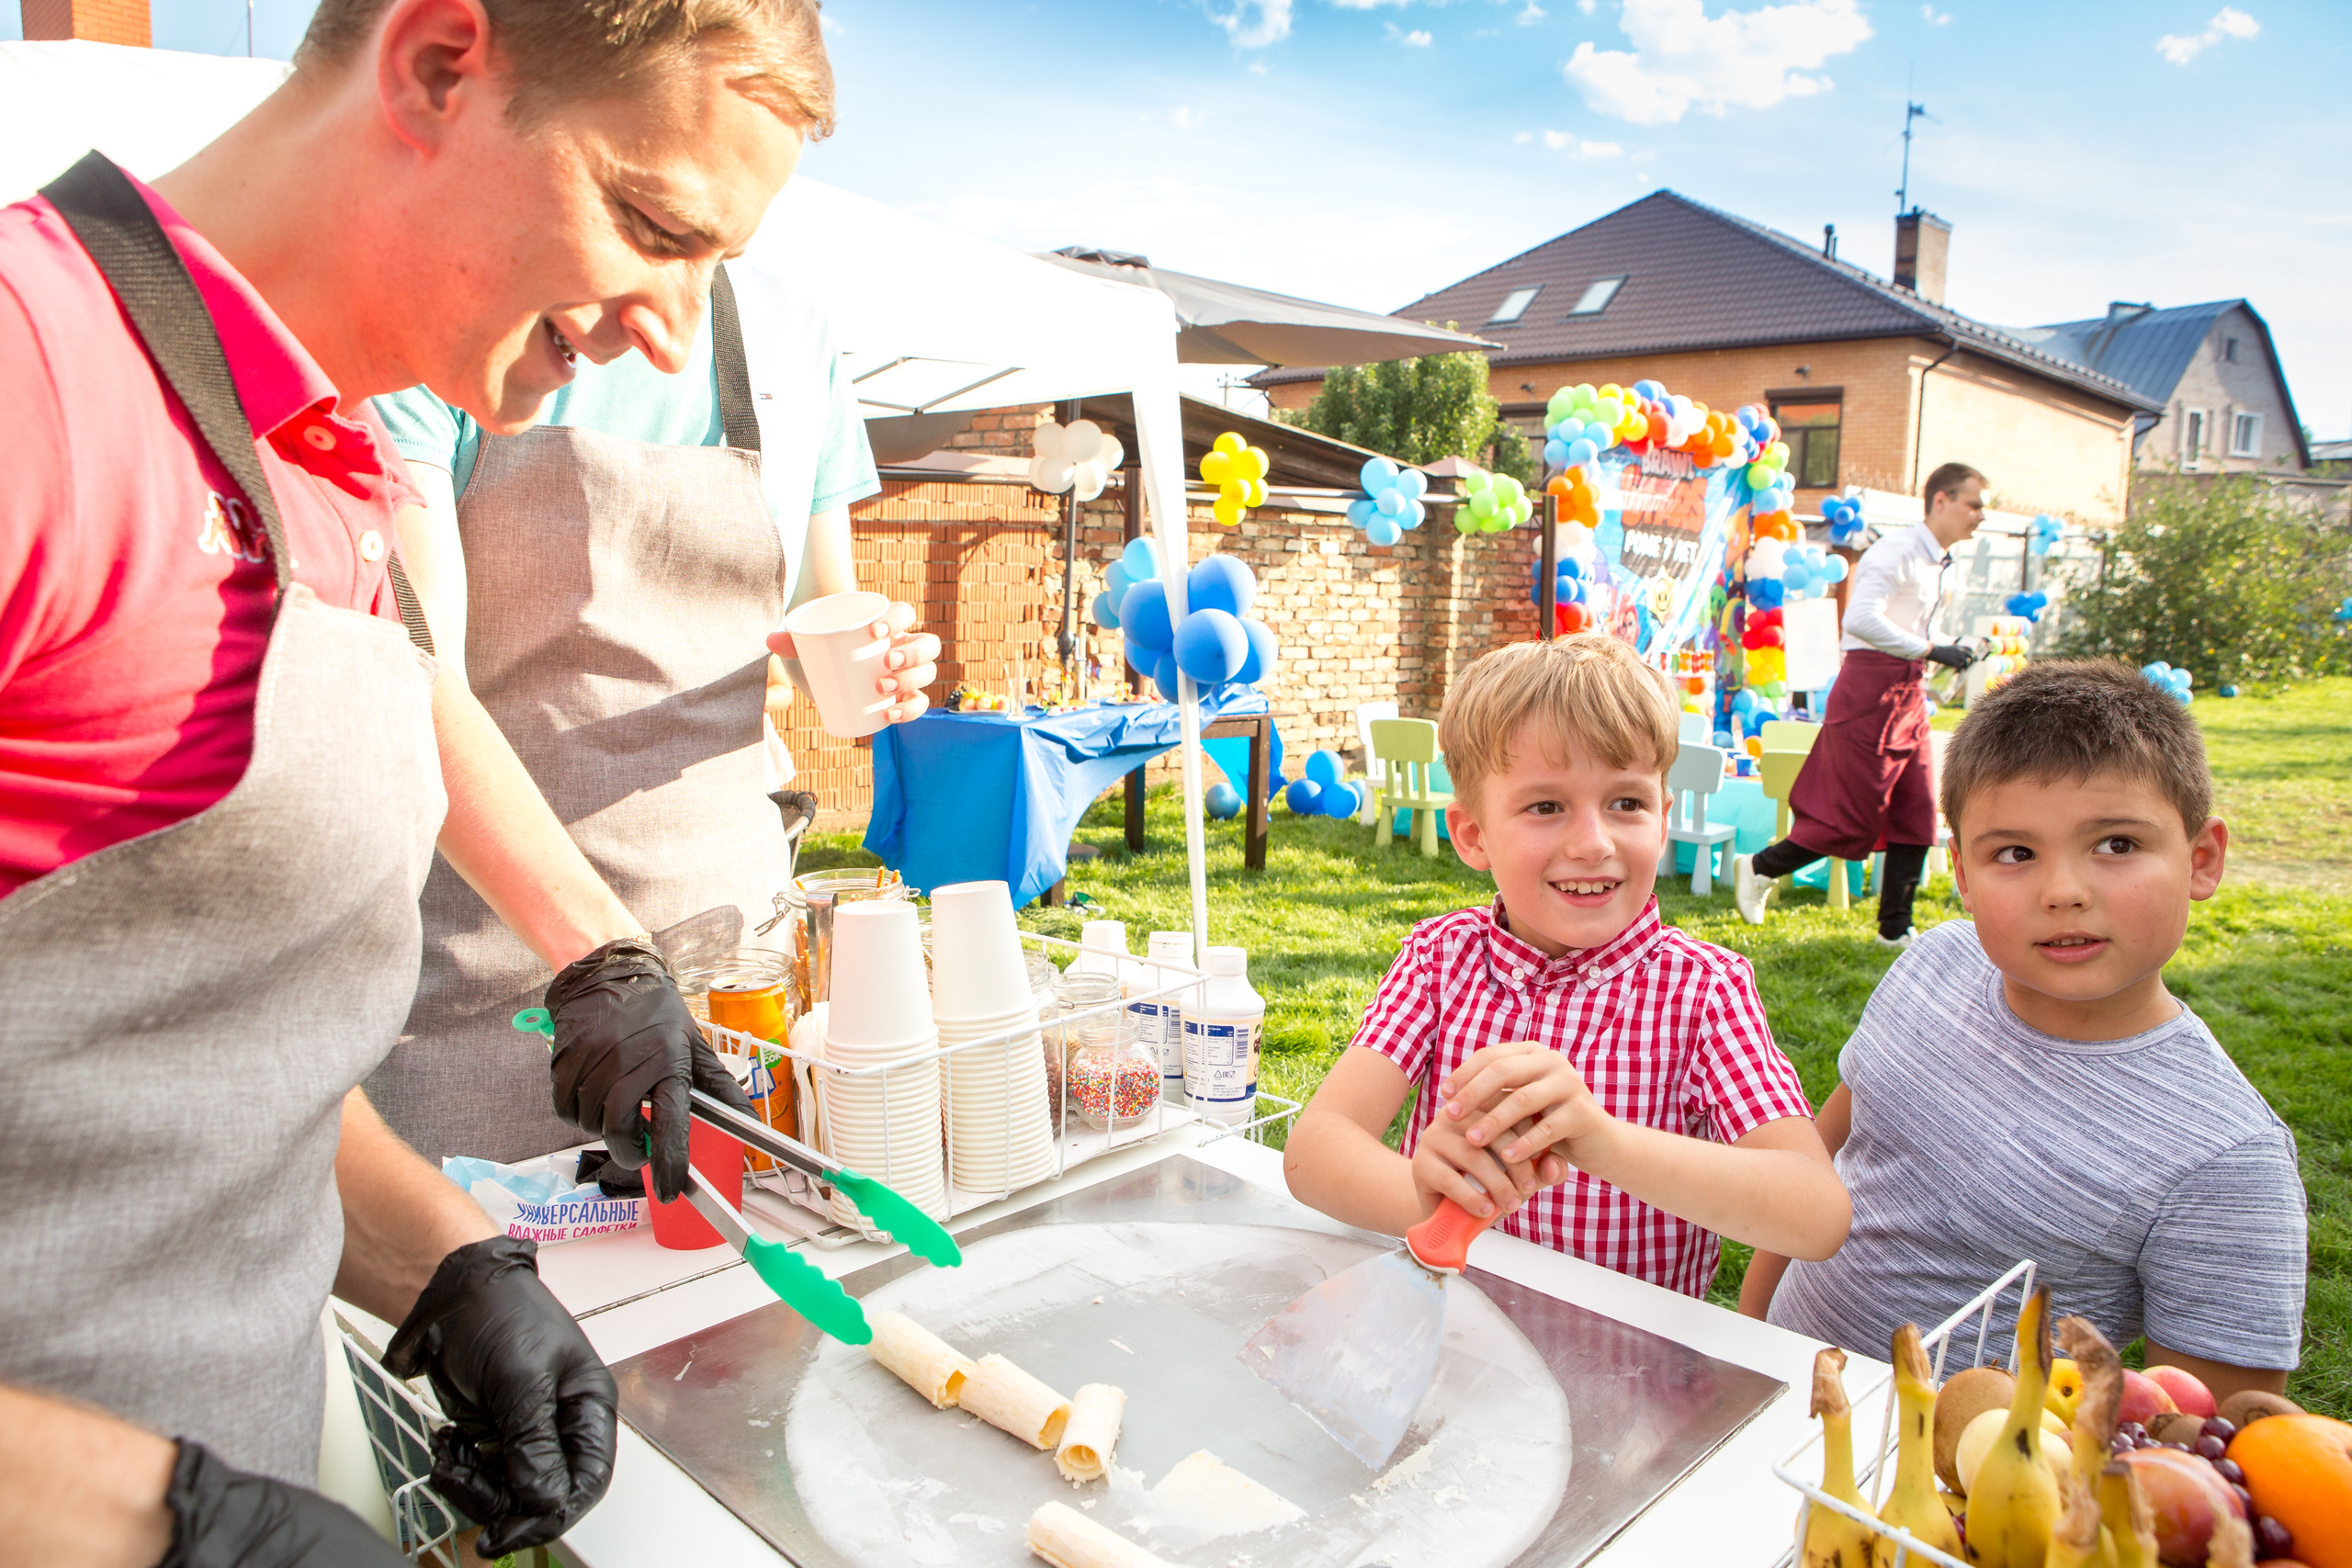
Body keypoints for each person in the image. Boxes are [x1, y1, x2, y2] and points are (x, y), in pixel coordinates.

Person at [0, 0, 819, 1560]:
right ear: (443, 62)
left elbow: (193, 1062)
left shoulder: (335, 469)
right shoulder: (29, 376)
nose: (668, 326)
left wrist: (449, 1267)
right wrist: (157, 1527)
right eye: (655, 225)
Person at [366, 58, 940, 1171]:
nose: (672, 319)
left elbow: (826, 604)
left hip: (736, 967)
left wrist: (874, 663)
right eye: (663, 227)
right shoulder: (457, 320)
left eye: (720, 249)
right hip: (495, 979)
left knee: (745, 1323)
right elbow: (407, 666)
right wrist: (602, 958)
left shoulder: (792, 336)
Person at [1742, 661, 2306, 1404]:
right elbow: (1817, 1161)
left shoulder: (2230, 1161)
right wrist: (1750, 1338)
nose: (2063, 891)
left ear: (2201, 859)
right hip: (1776, 1384)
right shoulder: (1934, 961)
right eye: (2015, 853)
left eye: (2116, 845)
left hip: (1949, 1500)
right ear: (1965, 876)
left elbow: (2196, 1444)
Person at [1283, 636, 1849, 1297]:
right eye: (1546, 806)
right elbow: (1313, 1151)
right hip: (1449, 1343)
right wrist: (1422, 1189)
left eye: (1626, 802)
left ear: (1664, 820)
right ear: (1474, 835)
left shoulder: (1702, 993)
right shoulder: (1442, 958)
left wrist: (1605, 1142)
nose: (1593, 842)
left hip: (1629, 1376)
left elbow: (1816, 1212)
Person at [1733, 462, 1988, 947]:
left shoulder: (1938, 560)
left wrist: (1956, 643)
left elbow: (1910, 628)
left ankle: (1895, 929)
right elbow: (1861, 619)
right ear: (1941, 501)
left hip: (1908, 692)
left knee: (1918, 810)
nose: (1980, 516)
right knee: (1851, 814)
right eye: (1973, 505)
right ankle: (1759, 868)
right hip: (1870, 691)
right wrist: (1933, 649)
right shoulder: (1897, 552)